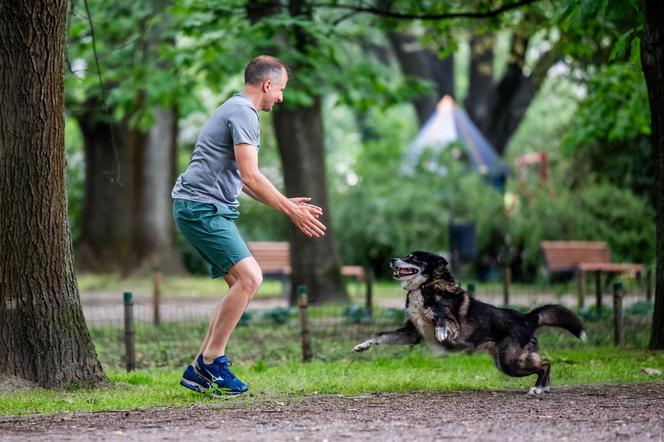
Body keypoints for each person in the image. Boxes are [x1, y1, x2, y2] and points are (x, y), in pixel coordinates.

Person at [172, 55, 326, 396]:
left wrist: (285, 201)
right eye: (281, 90)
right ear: (267, 84)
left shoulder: (236, 109)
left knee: (239, 286)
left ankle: (201, 366)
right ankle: (211, 362)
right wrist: (289, 210)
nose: (281, 98)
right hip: (201, 208)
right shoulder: (244, 112)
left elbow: (241, 180)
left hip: (204, 208)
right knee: (251, 277)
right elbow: (251, 176)